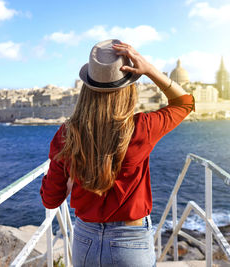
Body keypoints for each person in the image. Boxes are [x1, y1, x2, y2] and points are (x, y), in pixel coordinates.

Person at [40, 39, 195, 267]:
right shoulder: (142, 128)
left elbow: (51, 200)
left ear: (87, 89)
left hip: (85, 241)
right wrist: (150, 69)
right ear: (129, 88)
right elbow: (184, 103)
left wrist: (70, 176)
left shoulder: (67, 134)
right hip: (131, 243)